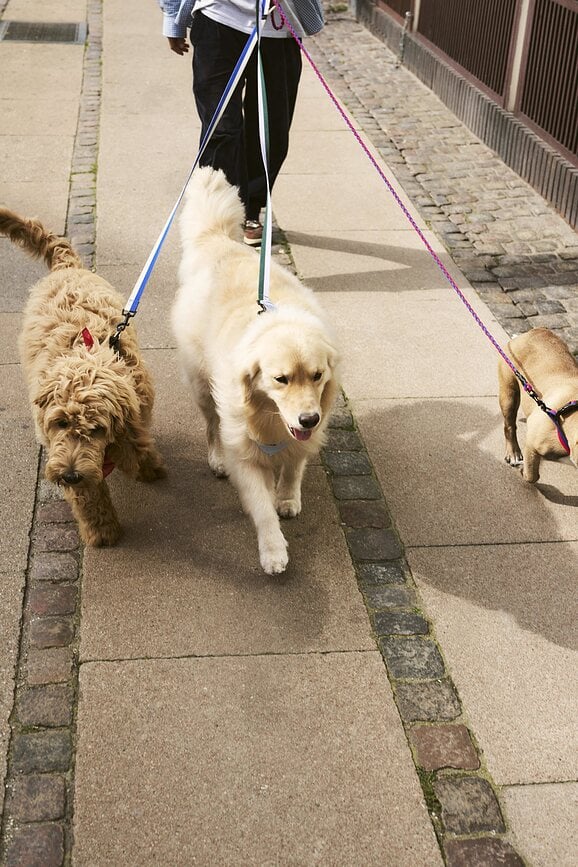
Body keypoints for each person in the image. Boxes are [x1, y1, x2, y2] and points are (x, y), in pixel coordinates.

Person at [159, 0, 322, 245]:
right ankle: (217, 219)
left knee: (271, 132)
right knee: (221, 129)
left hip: (279, 28)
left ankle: (249, 210)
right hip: (218, 18)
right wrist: (173, 19)